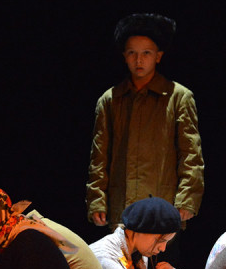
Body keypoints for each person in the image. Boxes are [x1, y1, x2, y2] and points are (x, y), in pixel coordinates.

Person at [86, 13, 204, 231]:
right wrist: (97, 200)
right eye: (132, 53)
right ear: (124, 56)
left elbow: (190, 155)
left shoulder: (178, 97)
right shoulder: (110, 100)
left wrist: (187, 199)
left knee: (160, 254)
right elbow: (99, 158)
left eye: (146, 53)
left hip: (162, 205)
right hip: (121, 206)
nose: (138, 60)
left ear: (158, 56)